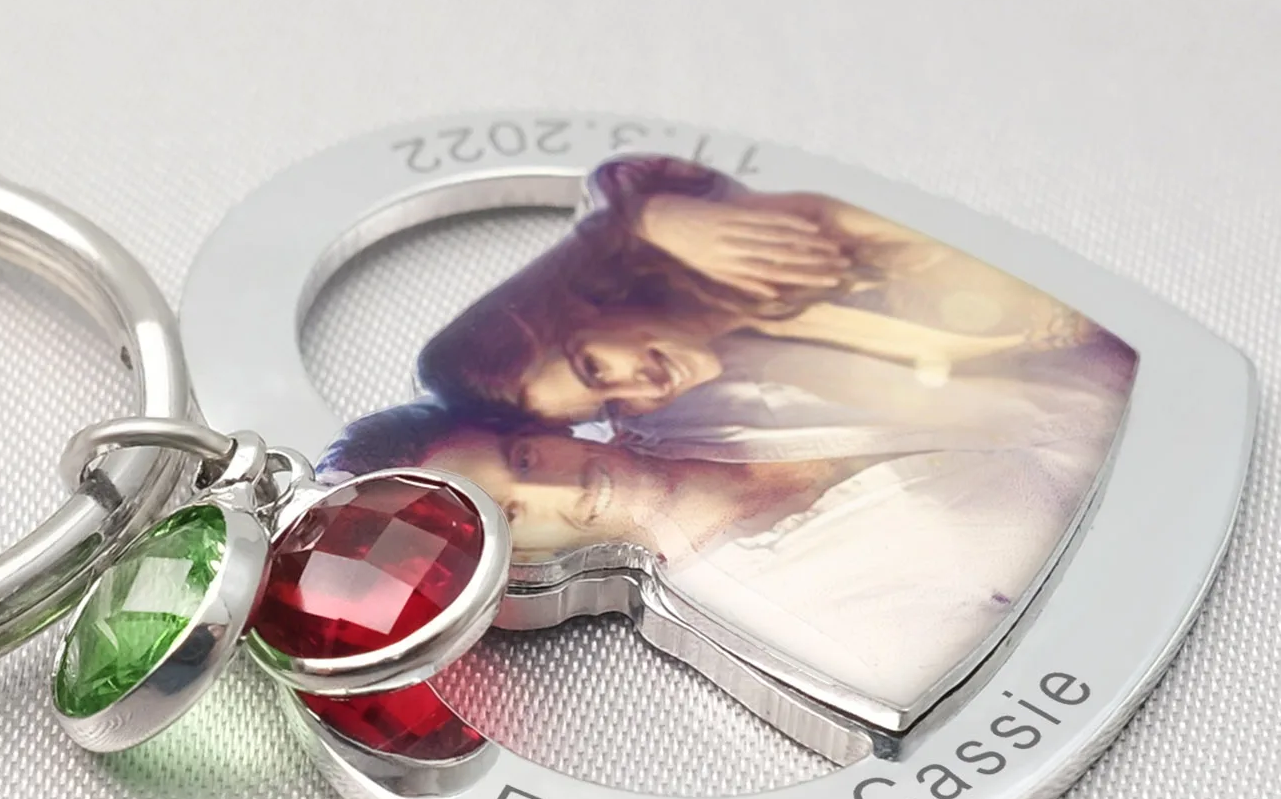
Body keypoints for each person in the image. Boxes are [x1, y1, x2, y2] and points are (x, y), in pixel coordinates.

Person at [319, 399, 1105, 713]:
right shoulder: (779, 610)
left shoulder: (709, 397)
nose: (558, 483)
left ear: (540, 427)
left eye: (523, 457)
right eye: (510, 513)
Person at [414, 154, 1131, 462]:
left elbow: (629, 171)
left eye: (596, 367)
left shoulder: (761, 243)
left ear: (590, 304)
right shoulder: (767, 337)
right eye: (606, 405)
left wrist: (643, 216)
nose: (640, 389)